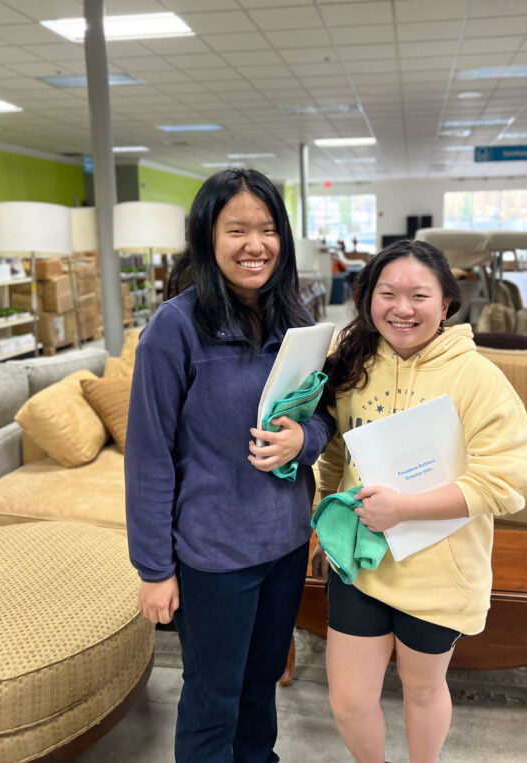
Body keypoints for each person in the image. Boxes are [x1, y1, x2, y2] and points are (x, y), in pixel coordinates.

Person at [125, 168, 334, 763]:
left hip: (286, 545)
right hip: (214, 556)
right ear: (207, 237)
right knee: (214, 696)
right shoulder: (175, 329)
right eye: (236, 228)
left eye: (268, 229)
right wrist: (153, 568)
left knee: (260, 684)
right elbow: (148, 458)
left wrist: (306, 440)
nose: (255, 244)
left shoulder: (297, 320)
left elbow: (324, 416)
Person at [312, 239, 527, 763]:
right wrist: (322, 522)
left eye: (419, 295)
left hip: (440, 570)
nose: (402, 308)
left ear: (446, 304)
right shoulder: (351, 365)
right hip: (362, 564)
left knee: (423, 688)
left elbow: (504, 481)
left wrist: (405, 510)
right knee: (348, 702)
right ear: (368, 299)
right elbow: (334, 456)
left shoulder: (477, 377)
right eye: (387, 293)